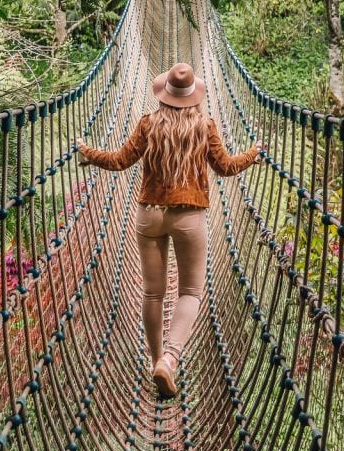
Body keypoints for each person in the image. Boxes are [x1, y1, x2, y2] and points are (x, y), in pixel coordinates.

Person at [76, 62, 260, 399]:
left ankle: (156, 358)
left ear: (165, 95)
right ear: (194, 96)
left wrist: (87, 152)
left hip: (149, 215)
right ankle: (171, 360)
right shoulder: (205, 125)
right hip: (189, 216)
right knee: (190, 291)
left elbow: (119, 161)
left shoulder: (149, 123)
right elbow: (226, 167)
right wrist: (254, 154)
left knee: (152, 293)